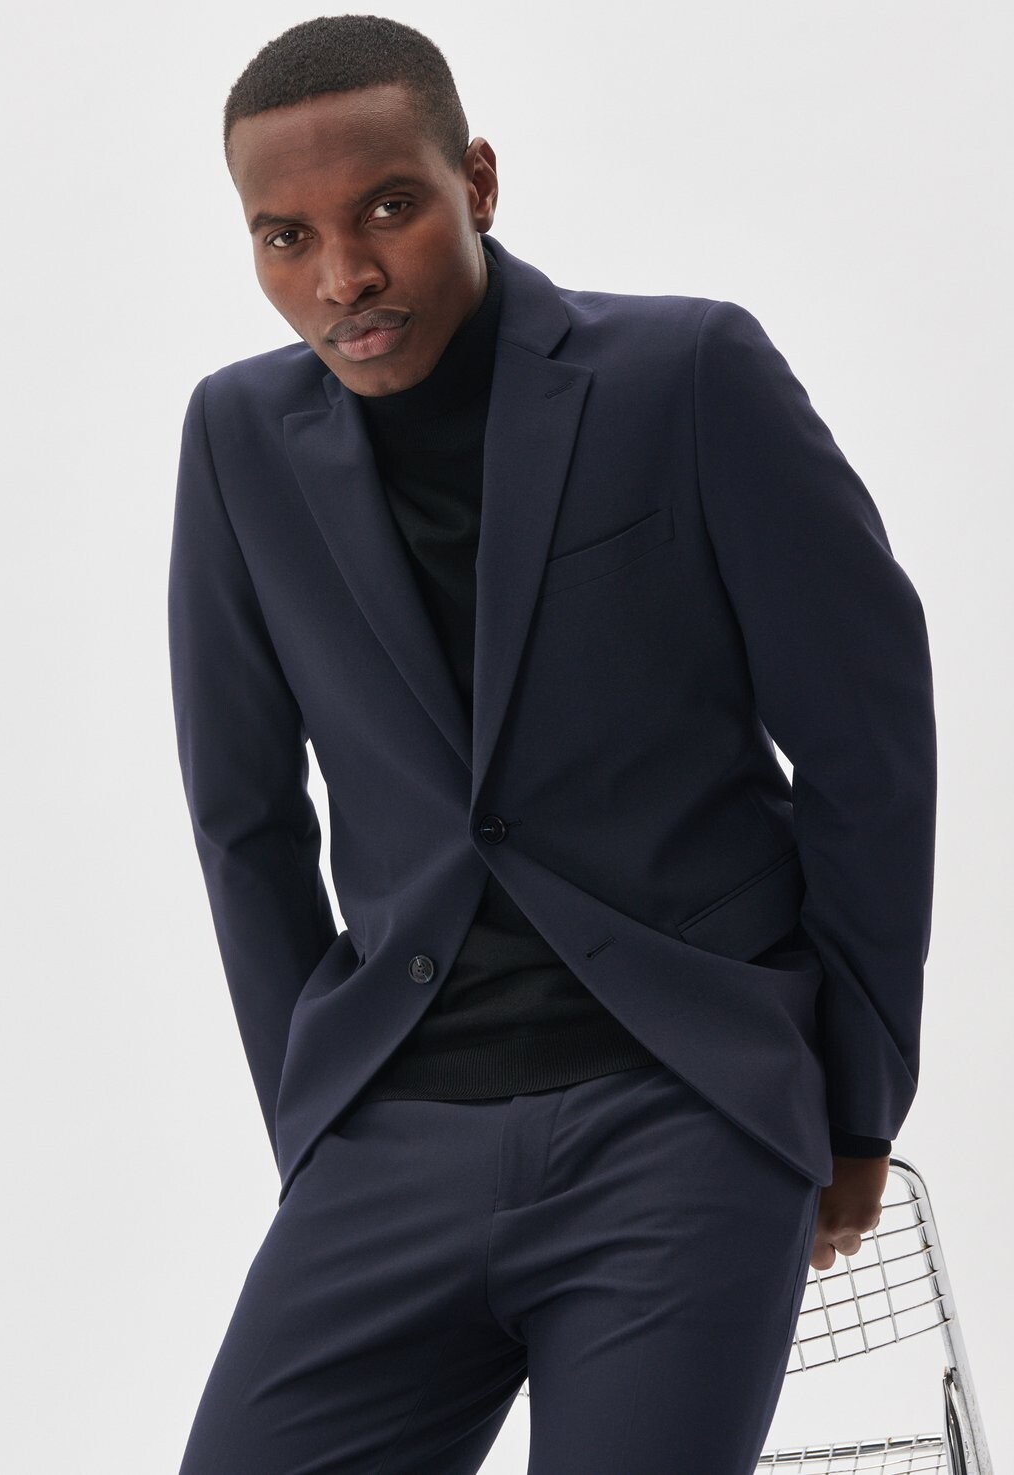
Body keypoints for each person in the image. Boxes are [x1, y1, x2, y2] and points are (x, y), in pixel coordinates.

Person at [167, 14, 937, 1474]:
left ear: (477, 181)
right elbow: (242, 817)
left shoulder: (686, 374)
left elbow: (867, 742)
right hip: (392, 1137)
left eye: (387, 209)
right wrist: (315, 1126)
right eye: (285, 236)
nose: (342, 277)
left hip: (681, 1109)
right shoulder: (236, 440)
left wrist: (854, 1105)